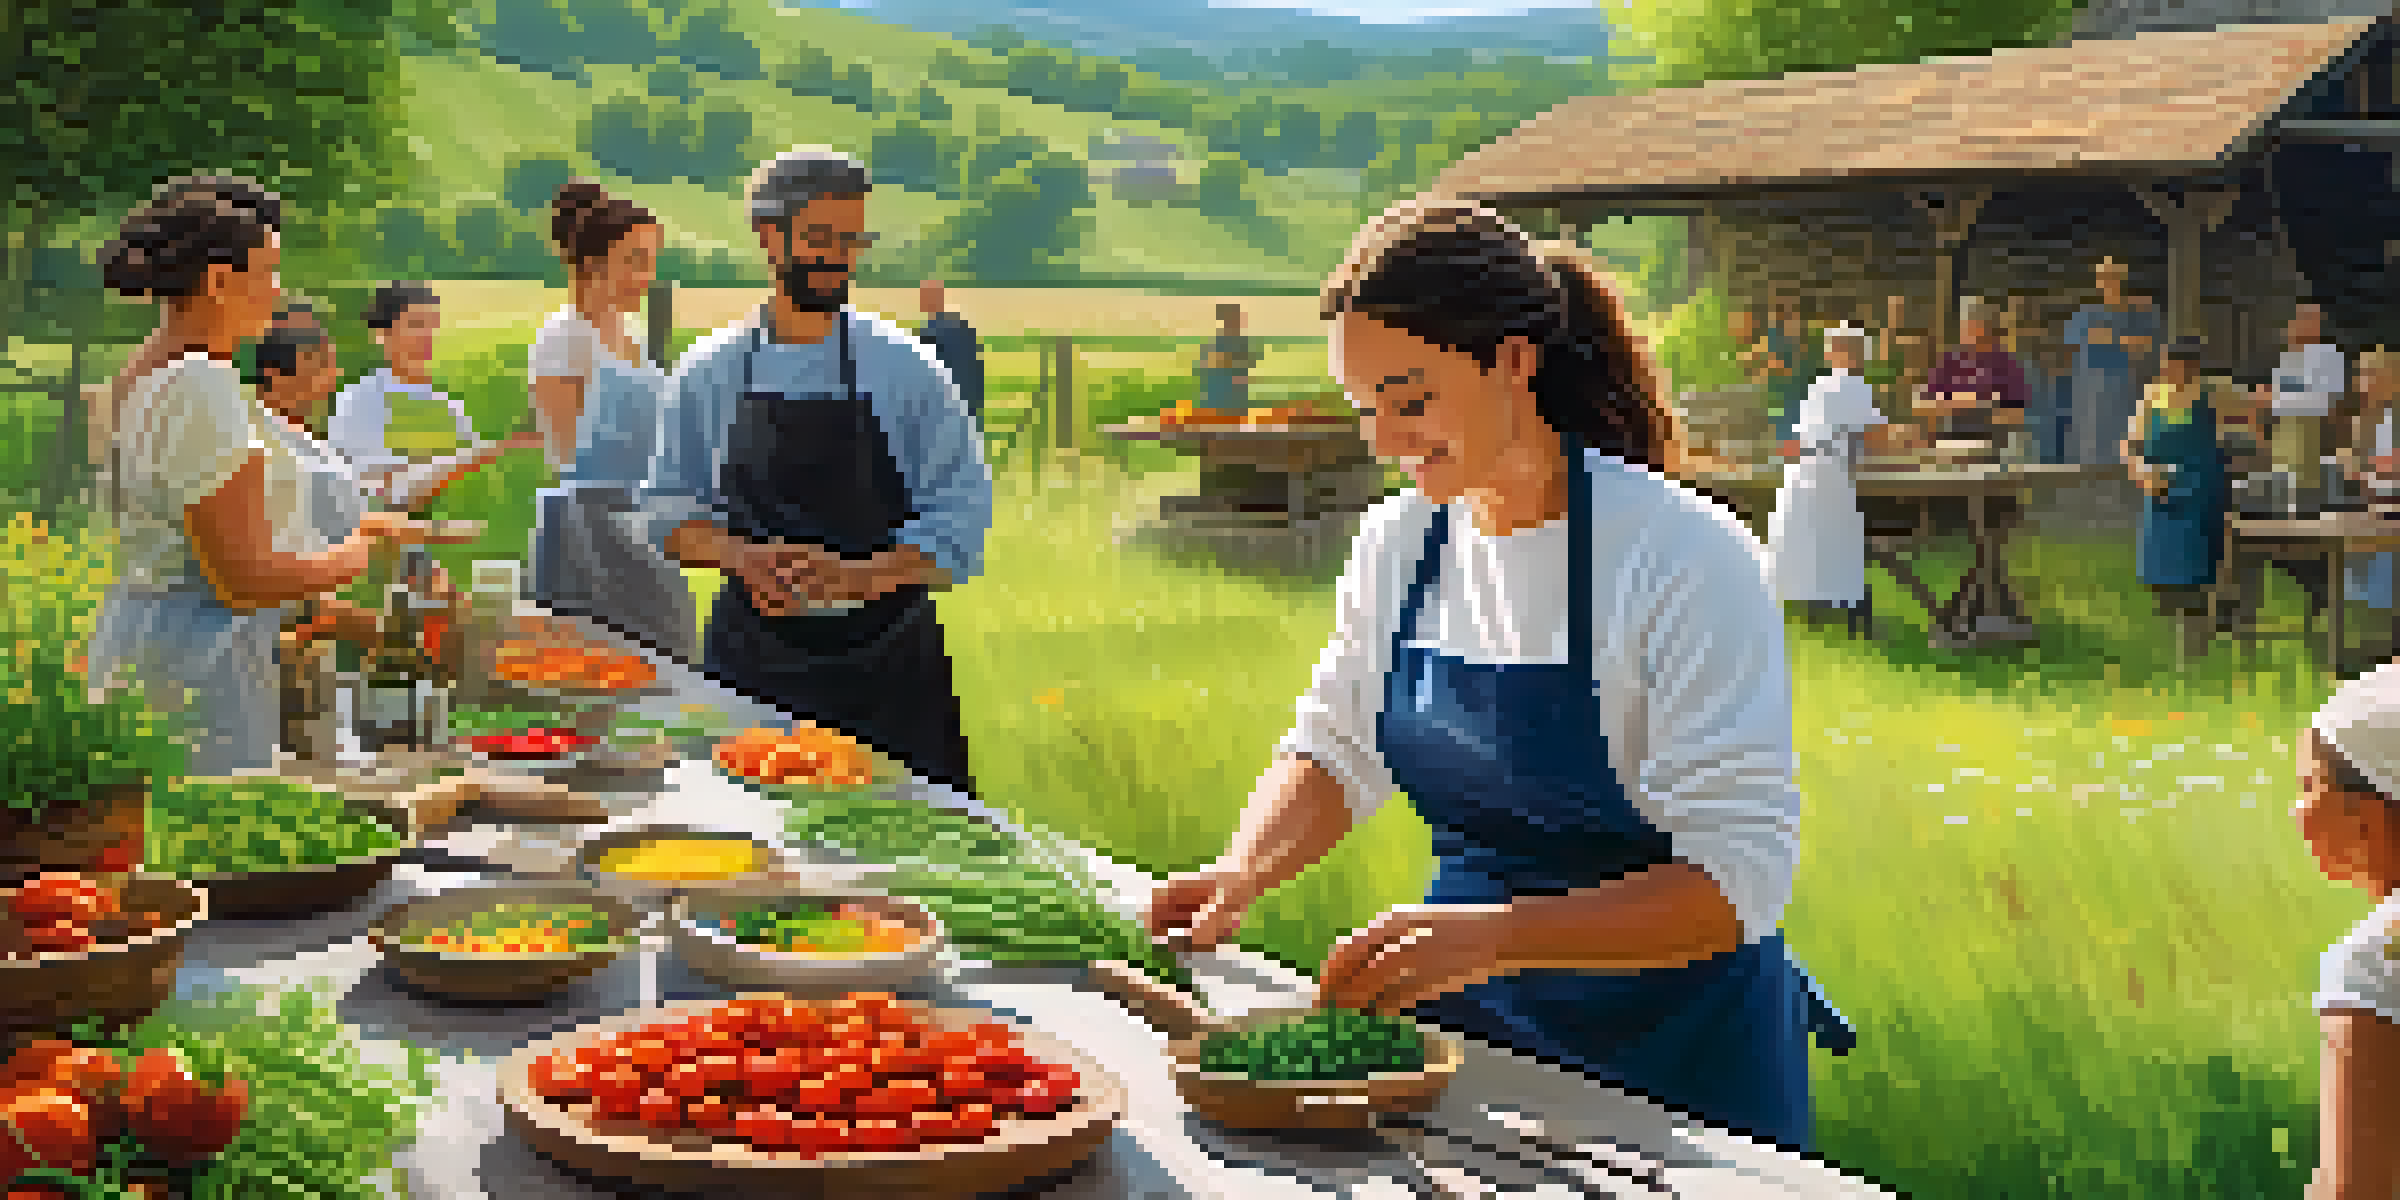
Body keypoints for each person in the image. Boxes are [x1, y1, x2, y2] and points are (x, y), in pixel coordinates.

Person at [1143, 201, 1854, 1151]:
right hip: (1473, 1037)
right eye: (1366, 411)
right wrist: (1244, 869)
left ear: (1515, 360)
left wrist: (1494, 936)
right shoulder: (1400, 542)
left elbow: (1739, 880)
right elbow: (1337, 743)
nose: (1387, 442)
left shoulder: (1682, 555)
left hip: (1683, 1063)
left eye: (1413, 400)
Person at [642, 147, 993, 796]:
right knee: (746, 860)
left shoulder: (907, 369)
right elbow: (667, 515)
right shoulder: (710, 371)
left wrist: (861, 576)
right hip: (751, 670)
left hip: (890, 675)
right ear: (769, 236)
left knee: (912, 874)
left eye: (852, 240)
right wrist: (742, 559)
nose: (839, 257)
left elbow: (963, 517)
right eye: (820, 238)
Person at [81, 176, 453, 776]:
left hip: (147, 636)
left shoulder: (149, 373)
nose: (279, 293)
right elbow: (243, 578)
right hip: (203, 662)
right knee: (215, 850)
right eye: (268, 271)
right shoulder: (203, 385)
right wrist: (357, 551)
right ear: (221, 282)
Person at [525, 180, 696, 661]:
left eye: (652, 260)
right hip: (588, 525)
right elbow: (566, 452)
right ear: (594, 264)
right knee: (595, 672)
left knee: (669, 658)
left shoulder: (634, 335)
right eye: (635, 260)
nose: (647, 275)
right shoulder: (565, 338)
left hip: (641, 518)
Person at [2295, 666, 2400, 1200]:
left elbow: (2351, 1189)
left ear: (2368, 818)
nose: (2296, 809)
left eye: (2309, 786)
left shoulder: (2375, 962)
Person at [324, 280, 519, 511]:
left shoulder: (448, 406)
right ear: (383, 333)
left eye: (432, 325)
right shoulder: (357, 401)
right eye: (416, 324)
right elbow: (372, 490)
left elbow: (478, 482)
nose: (427, 335)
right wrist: (464, 462)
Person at [1769, 323, 1886, 638]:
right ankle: (1849, 605)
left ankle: (1818, 603)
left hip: (1805, 468)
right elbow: (1874, 434)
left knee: (1814, 539)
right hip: (1829, 470)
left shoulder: (1821, 385)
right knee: (1838, 537)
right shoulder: (1852, 385)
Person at [2120, 337, 2227, 661]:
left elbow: (2243, 427)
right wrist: (2138, 470)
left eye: (2179, 367)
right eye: (2168, 365)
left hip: (2199, 488)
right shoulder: (2152, 395)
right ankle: (2173, 637)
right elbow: (2131, 443)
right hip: (2161, 487)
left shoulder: (2212, 394)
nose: (2172, 372)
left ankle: (2200, 635)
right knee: (2162, 570)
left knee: (2196, 568)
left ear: (2193, 368)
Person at [2063, 257, 2160, 466]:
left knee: (2128, 452)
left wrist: (2112, 338)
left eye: (2114, 277)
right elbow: (2079, 342)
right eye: (2105, 277)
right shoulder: (2085, 315)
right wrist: (2122, 340)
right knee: (2093, 456)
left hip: (2129, 394)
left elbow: (2145, 346)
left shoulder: (2141, 314)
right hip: (2091, 398)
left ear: (2123, 279)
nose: (2110, 282)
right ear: (2098, 282)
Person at [2341, 350, 2400, 625]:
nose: (2362, 383)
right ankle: (2361, 616)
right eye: (2362, 376)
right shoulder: (2364, 420)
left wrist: (2368, 466)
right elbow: (2359, 463)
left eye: (2369, 376)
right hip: (2371, 499)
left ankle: (2382, 616)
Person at [915, 278, 985, 422]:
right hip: (968, 400)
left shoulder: (928, 333)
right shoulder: (963, 327)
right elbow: (977, 367)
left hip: (945, 403)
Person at [1195, 302, 1261, 413]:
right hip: (1220, 395)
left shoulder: (1240, 343)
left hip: (1234, 397)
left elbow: (1248, 363)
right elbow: (1205, 367)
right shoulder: (1216, 344)